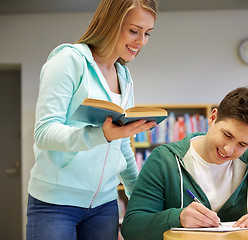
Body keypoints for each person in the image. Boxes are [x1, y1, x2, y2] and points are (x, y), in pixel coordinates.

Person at [26, 0, 157, 239]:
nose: (141, 41)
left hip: (104, 205)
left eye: (147, 33)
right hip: (55, 202)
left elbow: (121, 145)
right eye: (134, 31)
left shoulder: (124, 76)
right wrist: (101, 134)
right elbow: (44, 132)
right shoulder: (69, 61)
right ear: (111, 23)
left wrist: (138, 196)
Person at [121, 86, 248, 240]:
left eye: (242, 144)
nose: (229, 150)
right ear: (213, 117)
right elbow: (132, 227)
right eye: (227, 135)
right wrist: (178, 218)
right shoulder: (164, 161)